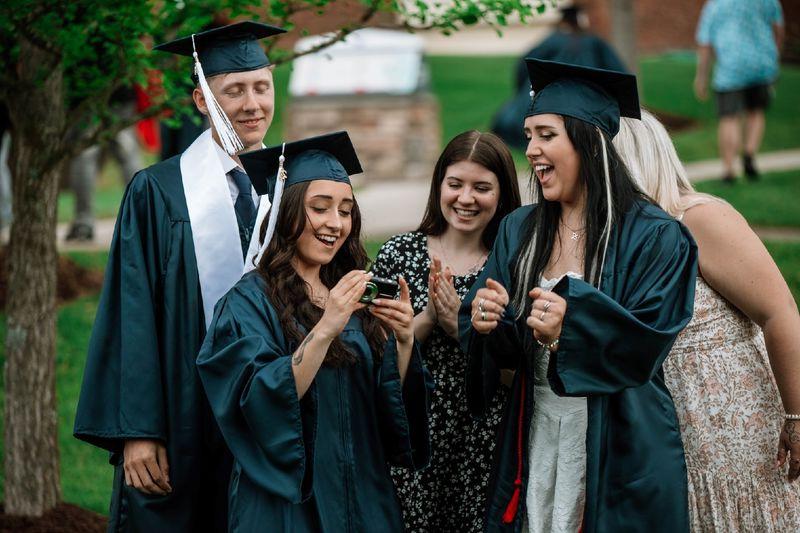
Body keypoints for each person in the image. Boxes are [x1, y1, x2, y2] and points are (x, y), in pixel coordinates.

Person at [460, 59, 698, 533]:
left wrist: (566, 330)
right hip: (538, 427)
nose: (530, 150)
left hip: (620, 437)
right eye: (528, 136)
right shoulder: (520, 229)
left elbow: (647, 344)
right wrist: (487, 320)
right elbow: (500, 341)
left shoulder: (657, 237)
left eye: (546, 135)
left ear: (588, 141)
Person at [73, 21, 285, 532]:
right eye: (233, 91)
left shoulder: (290, 186)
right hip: (179, 416)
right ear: (200, 99)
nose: (252, 103)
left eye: (261, 87)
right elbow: (132, 312)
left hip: (270, 421)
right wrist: (138, 431)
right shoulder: (158, 192)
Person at [197, 131, 433, 532]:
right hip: (288, 505)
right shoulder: (248, 302)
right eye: (320, 208)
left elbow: (386, 408)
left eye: (345, 210)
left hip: (363, 498)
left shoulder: (353, 293)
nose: (335, 224)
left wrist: (404, 338)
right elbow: (257, 402)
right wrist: (326, 329)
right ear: (286, 212)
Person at [615, 109, 800, 531]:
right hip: (668, 433)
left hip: (733, 432)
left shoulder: (699, 218)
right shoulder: (620, 237)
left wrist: (797, 417)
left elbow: (780, 313)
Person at [371, 130, 522, 532]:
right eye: (455, 184)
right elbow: (373, 358)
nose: (466, 198)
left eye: (482, 187)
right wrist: (427, 319)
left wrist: (461, 329)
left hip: (482, 440)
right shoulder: (399, 253)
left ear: (502, 193)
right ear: (439, 184)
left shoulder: (512, 266)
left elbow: (521, 374)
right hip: (411, 436)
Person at [492, 4, 627, 150]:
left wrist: (523, 88)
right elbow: (616, 71)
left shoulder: (554, 40)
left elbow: (525, 64)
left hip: (552, 93)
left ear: (563, 20)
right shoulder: (594, 41)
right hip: (586, 97)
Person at [694, 0, 785, 183]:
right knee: (755, 112)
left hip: (730, 69)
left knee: (729, 118)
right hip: (762, 65)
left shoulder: (716, 5)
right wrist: (774, 58)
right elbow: (778, 30)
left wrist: (702, 76)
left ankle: (728, 169)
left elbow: (705, 43)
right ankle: (749, 154)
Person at [65, 89, 143, 242]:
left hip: (88, 93)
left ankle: (83, 223)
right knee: (127, 155)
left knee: (85, 156)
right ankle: (144, 217)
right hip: (120, 93)